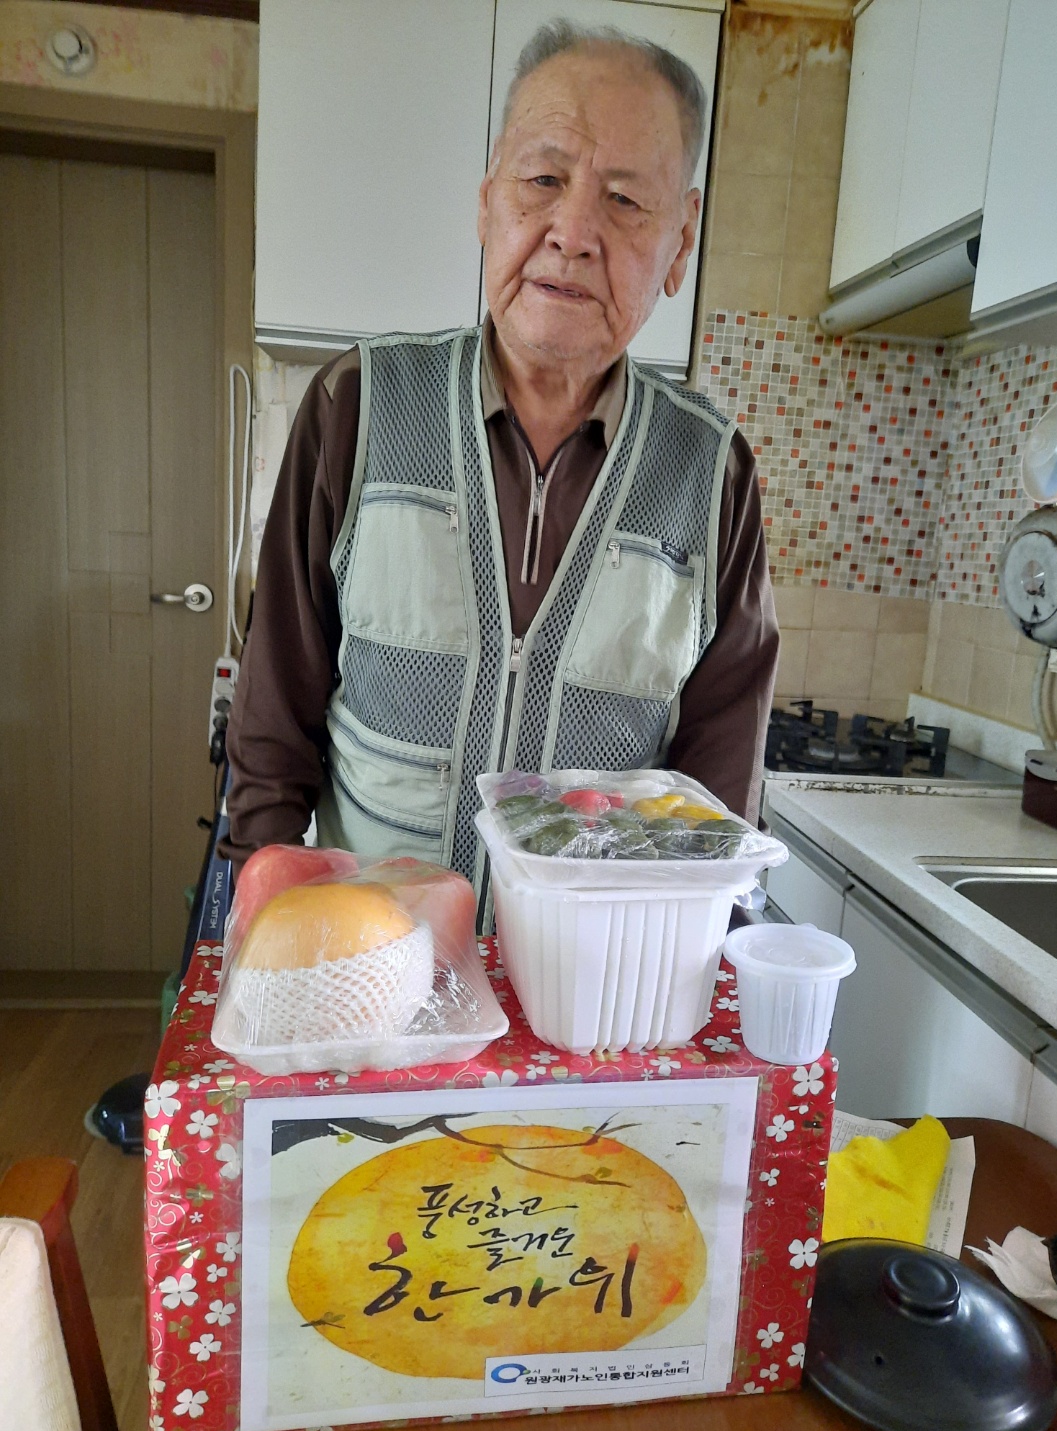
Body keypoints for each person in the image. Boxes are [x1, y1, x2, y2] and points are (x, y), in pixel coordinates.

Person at [224, 21, 779, 924]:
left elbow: (716, 797)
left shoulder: (712, 475)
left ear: (681, 244)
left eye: (625, 200)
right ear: (488, 204)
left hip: (591, 981)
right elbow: (273, 712)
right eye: (543, 180)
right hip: (372, 963)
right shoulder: (357, 406)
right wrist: (261, 922)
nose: (574, 233)